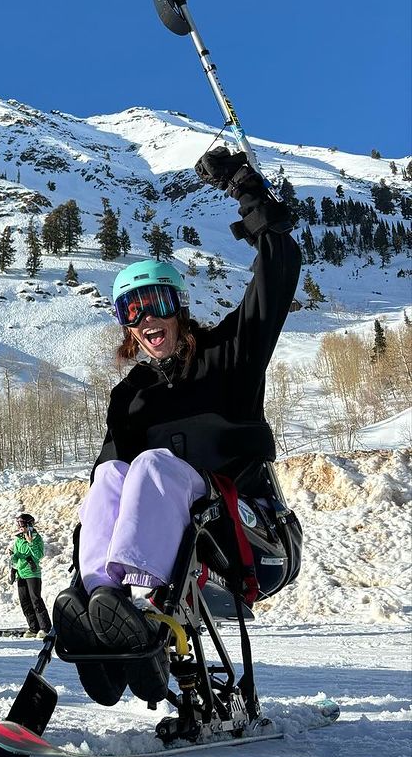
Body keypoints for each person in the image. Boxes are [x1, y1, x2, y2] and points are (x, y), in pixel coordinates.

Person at [54, 144, 301, 705]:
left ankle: (139, 609)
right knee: (112, 475)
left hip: (248, 535)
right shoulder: (132, 395)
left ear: (180, 306)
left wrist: (246, 190)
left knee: (152, 466)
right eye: (130, 311)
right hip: (179, 549)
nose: (146, 320)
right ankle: (103, 605)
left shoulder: (229, 354)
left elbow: (279, 270)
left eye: (156, 302)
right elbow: (110, 487)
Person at [8, 513, 51, 636]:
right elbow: (16, 558)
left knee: (35, 600)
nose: (20, 526)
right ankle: (33, 628)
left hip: (32, 573)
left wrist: (31, 542)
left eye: (22, 524)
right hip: (21, 574)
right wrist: (12, 555)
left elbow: (39, 555)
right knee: (25, 602)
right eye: (18, 524)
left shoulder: (37, 538)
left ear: (29, 524)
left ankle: (45, 627)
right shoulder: (18, 539)